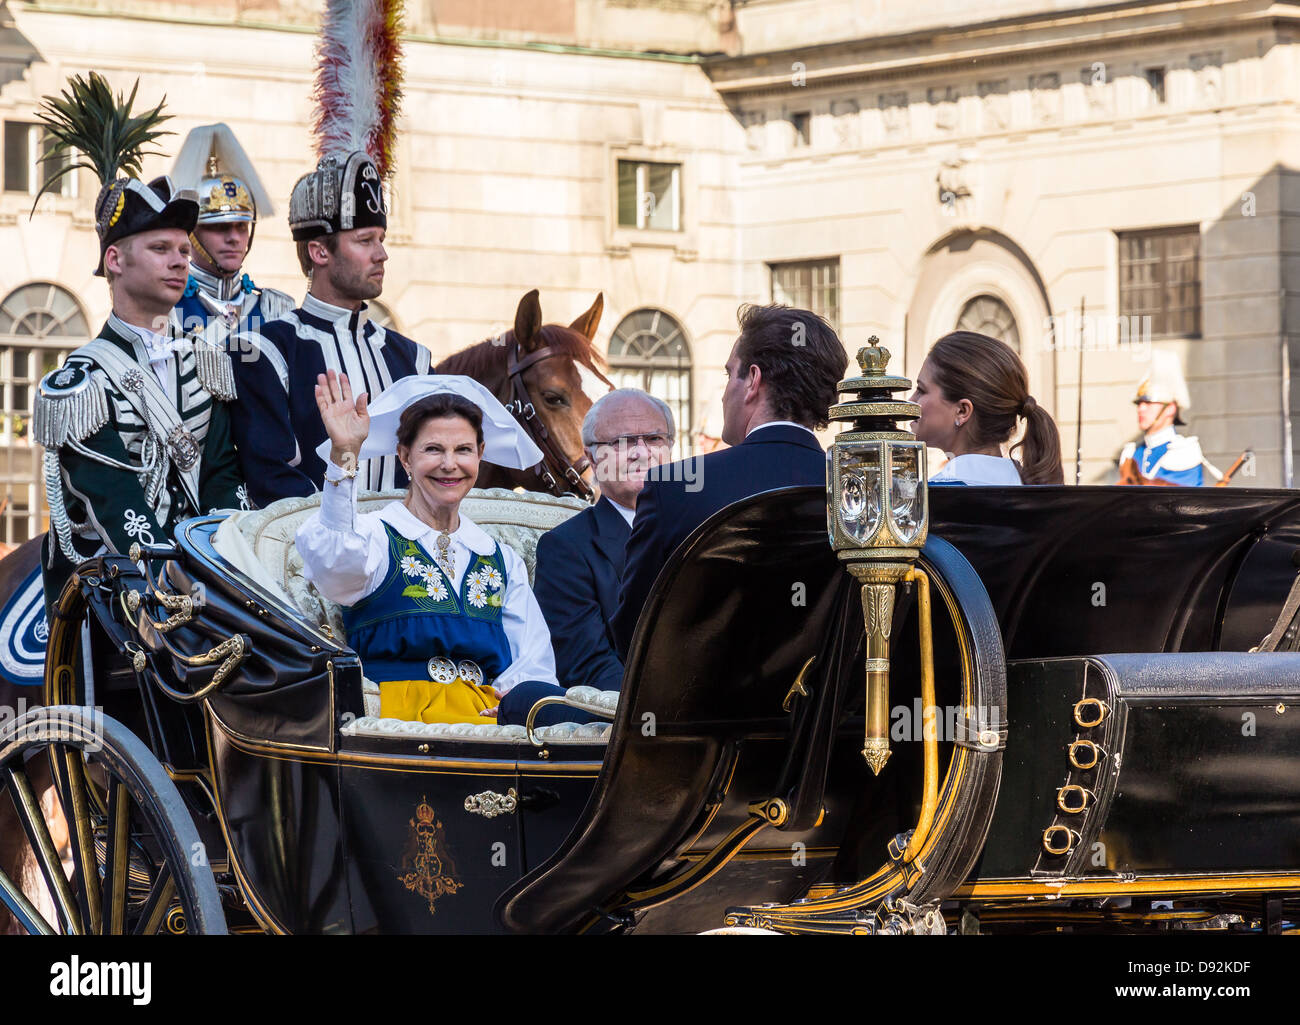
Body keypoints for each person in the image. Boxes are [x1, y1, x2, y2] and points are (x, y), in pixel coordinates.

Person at [31, 74, 247, 612]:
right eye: (159, 248)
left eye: (181, 248)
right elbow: (112, 497)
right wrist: (174, 574)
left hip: (207, 571)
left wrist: (231, 556)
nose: (180, 260)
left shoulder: (205, 361)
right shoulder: (80, 383)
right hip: (128, 584)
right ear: (114, 261)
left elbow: (222, 472)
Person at [296, 372, 592, 728]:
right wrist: (344, 454)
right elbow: (334, 565)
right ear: (405, 457)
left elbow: (533, 659)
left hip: (489, 724)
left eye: (463, 450)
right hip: (394, 723)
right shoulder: (373, 536)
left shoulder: (501, 558)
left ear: (480, 455)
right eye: (433, 449)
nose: (450, 464)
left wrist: (516, 705)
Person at [611, 303, 847, 660]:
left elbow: (632, 638)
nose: (723, 394)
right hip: (833, 712)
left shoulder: (673, 487)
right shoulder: (861, 495)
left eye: (728, 374)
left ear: (753, 380)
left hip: (697, 712)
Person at [231, 149, 432, 507]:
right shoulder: (264, 349)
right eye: (365, 240)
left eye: (381, 240)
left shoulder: (413, 358)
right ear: (319, 252)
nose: (382, 254)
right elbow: (271, 478)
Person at [534, 389, 674, 693]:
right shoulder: (565, 549)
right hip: (627, 721)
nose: (641, 453)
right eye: (620, 442)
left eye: (653, 439)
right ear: (593, 459)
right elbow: (587, 665)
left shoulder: (701, 528)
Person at [170, 123, 295, 343]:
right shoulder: (169, 307)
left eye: (241, 226)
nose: (234, 238)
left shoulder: (275, 309)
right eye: (219, 227)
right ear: (191, 233)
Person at [909, 330, 1063, 486]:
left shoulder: (927, 500)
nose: (911, 400)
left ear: (962, 411)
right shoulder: (1029, 489)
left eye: (921, 390)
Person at [1118, 350, 1219, 486]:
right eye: (1139, 403)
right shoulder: (1132, 454)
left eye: (1148, 403)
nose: (1140, 409)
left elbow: (1178, 502)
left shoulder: (1184, 452)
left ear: (1170, 408)